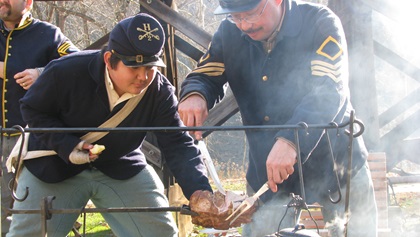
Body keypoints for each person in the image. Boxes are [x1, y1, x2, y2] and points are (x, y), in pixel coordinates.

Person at [178, 0, 377, 236]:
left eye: (250, 14)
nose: (243, 25)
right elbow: (205, 74)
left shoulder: (320, 22)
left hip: (336, 162)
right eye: (235, 16)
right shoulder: (229, 32)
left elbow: (329, 89)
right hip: (268, 173)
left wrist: (292, 138)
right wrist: (195, 93)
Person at [7, 13, 212, 236]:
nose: (143, 77)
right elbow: (33, 110)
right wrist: (67, 145)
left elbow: (178, 143)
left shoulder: (159, 91)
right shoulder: (64, 71)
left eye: (150, 68)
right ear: (108, 60)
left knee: (161, 234)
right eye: (134, 67)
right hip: (53, 164)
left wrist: (200, 193)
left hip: (120, 165)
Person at [0, 0, 79, 235]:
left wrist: (42, 73)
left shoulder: (49, 34)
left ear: (28, 2)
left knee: (32, 211)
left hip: (30, 141)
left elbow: (77, 64)